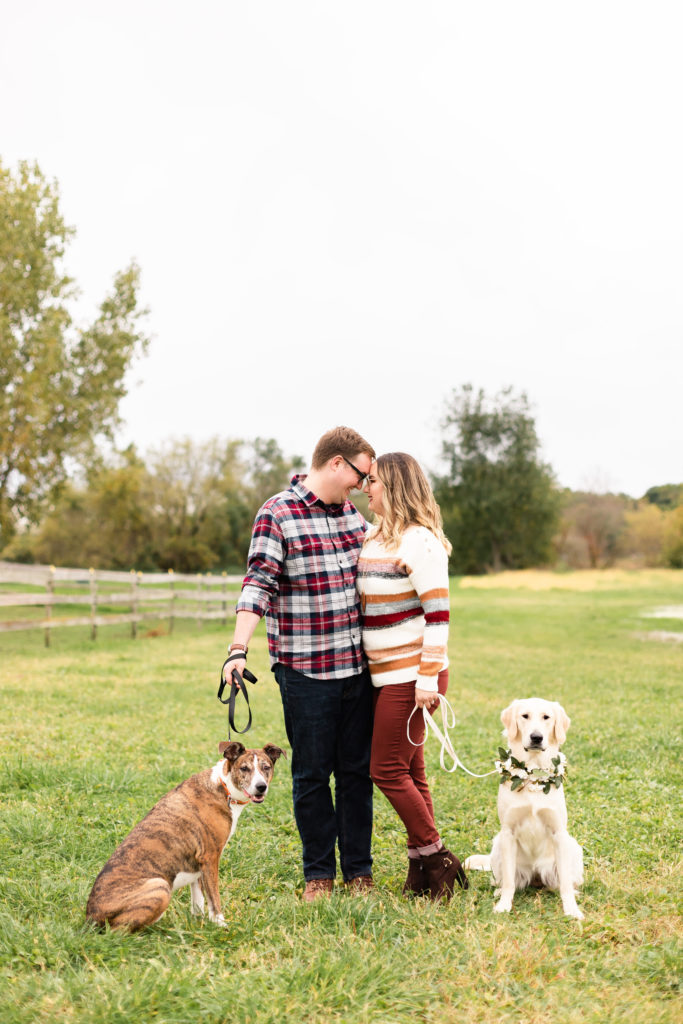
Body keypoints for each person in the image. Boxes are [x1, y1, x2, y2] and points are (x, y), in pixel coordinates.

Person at [224, 426, 376, 902]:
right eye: (359, 475)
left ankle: (359, 873)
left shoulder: (352, 516)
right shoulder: (278, 514)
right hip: (306, 673)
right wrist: (237, 649)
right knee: (311, 776)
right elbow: (258, 584)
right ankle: (319, 875)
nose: (362, 486)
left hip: (358, 671)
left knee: (356, 774)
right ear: (336, 463)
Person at [357, 452, 468, 901]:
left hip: (413, 676)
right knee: (411, 770)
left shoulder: (420, 542)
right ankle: (421, 870)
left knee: (385, 770)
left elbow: (438, 616)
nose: (366, 487)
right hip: (384, 675)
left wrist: (427, 679)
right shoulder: (375, 535)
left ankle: (438, 857)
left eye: (373, 481)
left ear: (395, 486)